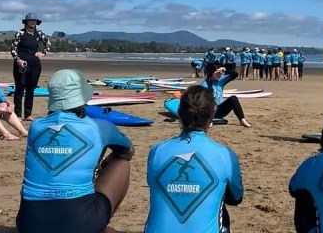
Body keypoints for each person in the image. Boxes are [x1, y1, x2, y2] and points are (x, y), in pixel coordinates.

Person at [17, 69, 133, 233]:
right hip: (80, 224)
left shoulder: (36, 126)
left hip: (28, 224)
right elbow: (128, 151)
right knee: (122, 163)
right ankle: (100, 226)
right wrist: (108, 158)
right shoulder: (99, 127)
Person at [144, 85, 244, 232]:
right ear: (212, 115)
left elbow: (154, 184)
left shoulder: (157, 151)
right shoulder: (225, 154)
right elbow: (236, 197)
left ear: (179, 113)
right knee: (220, 201)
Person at [11, 12, 51, 121]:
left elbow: (48, 43)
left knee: (30, 89)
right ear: (26, 22)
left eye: (34, 21)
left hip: (34, 64)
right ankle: (18, 114)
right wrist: (18, 59)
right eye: (30, 21)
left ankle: (28, 114)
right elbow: (13, 49)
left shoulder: (39, 33)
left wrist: (43, 52)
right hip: (21, 63)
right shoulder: (20, 33)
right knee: (20, 87)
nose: (33, 23)